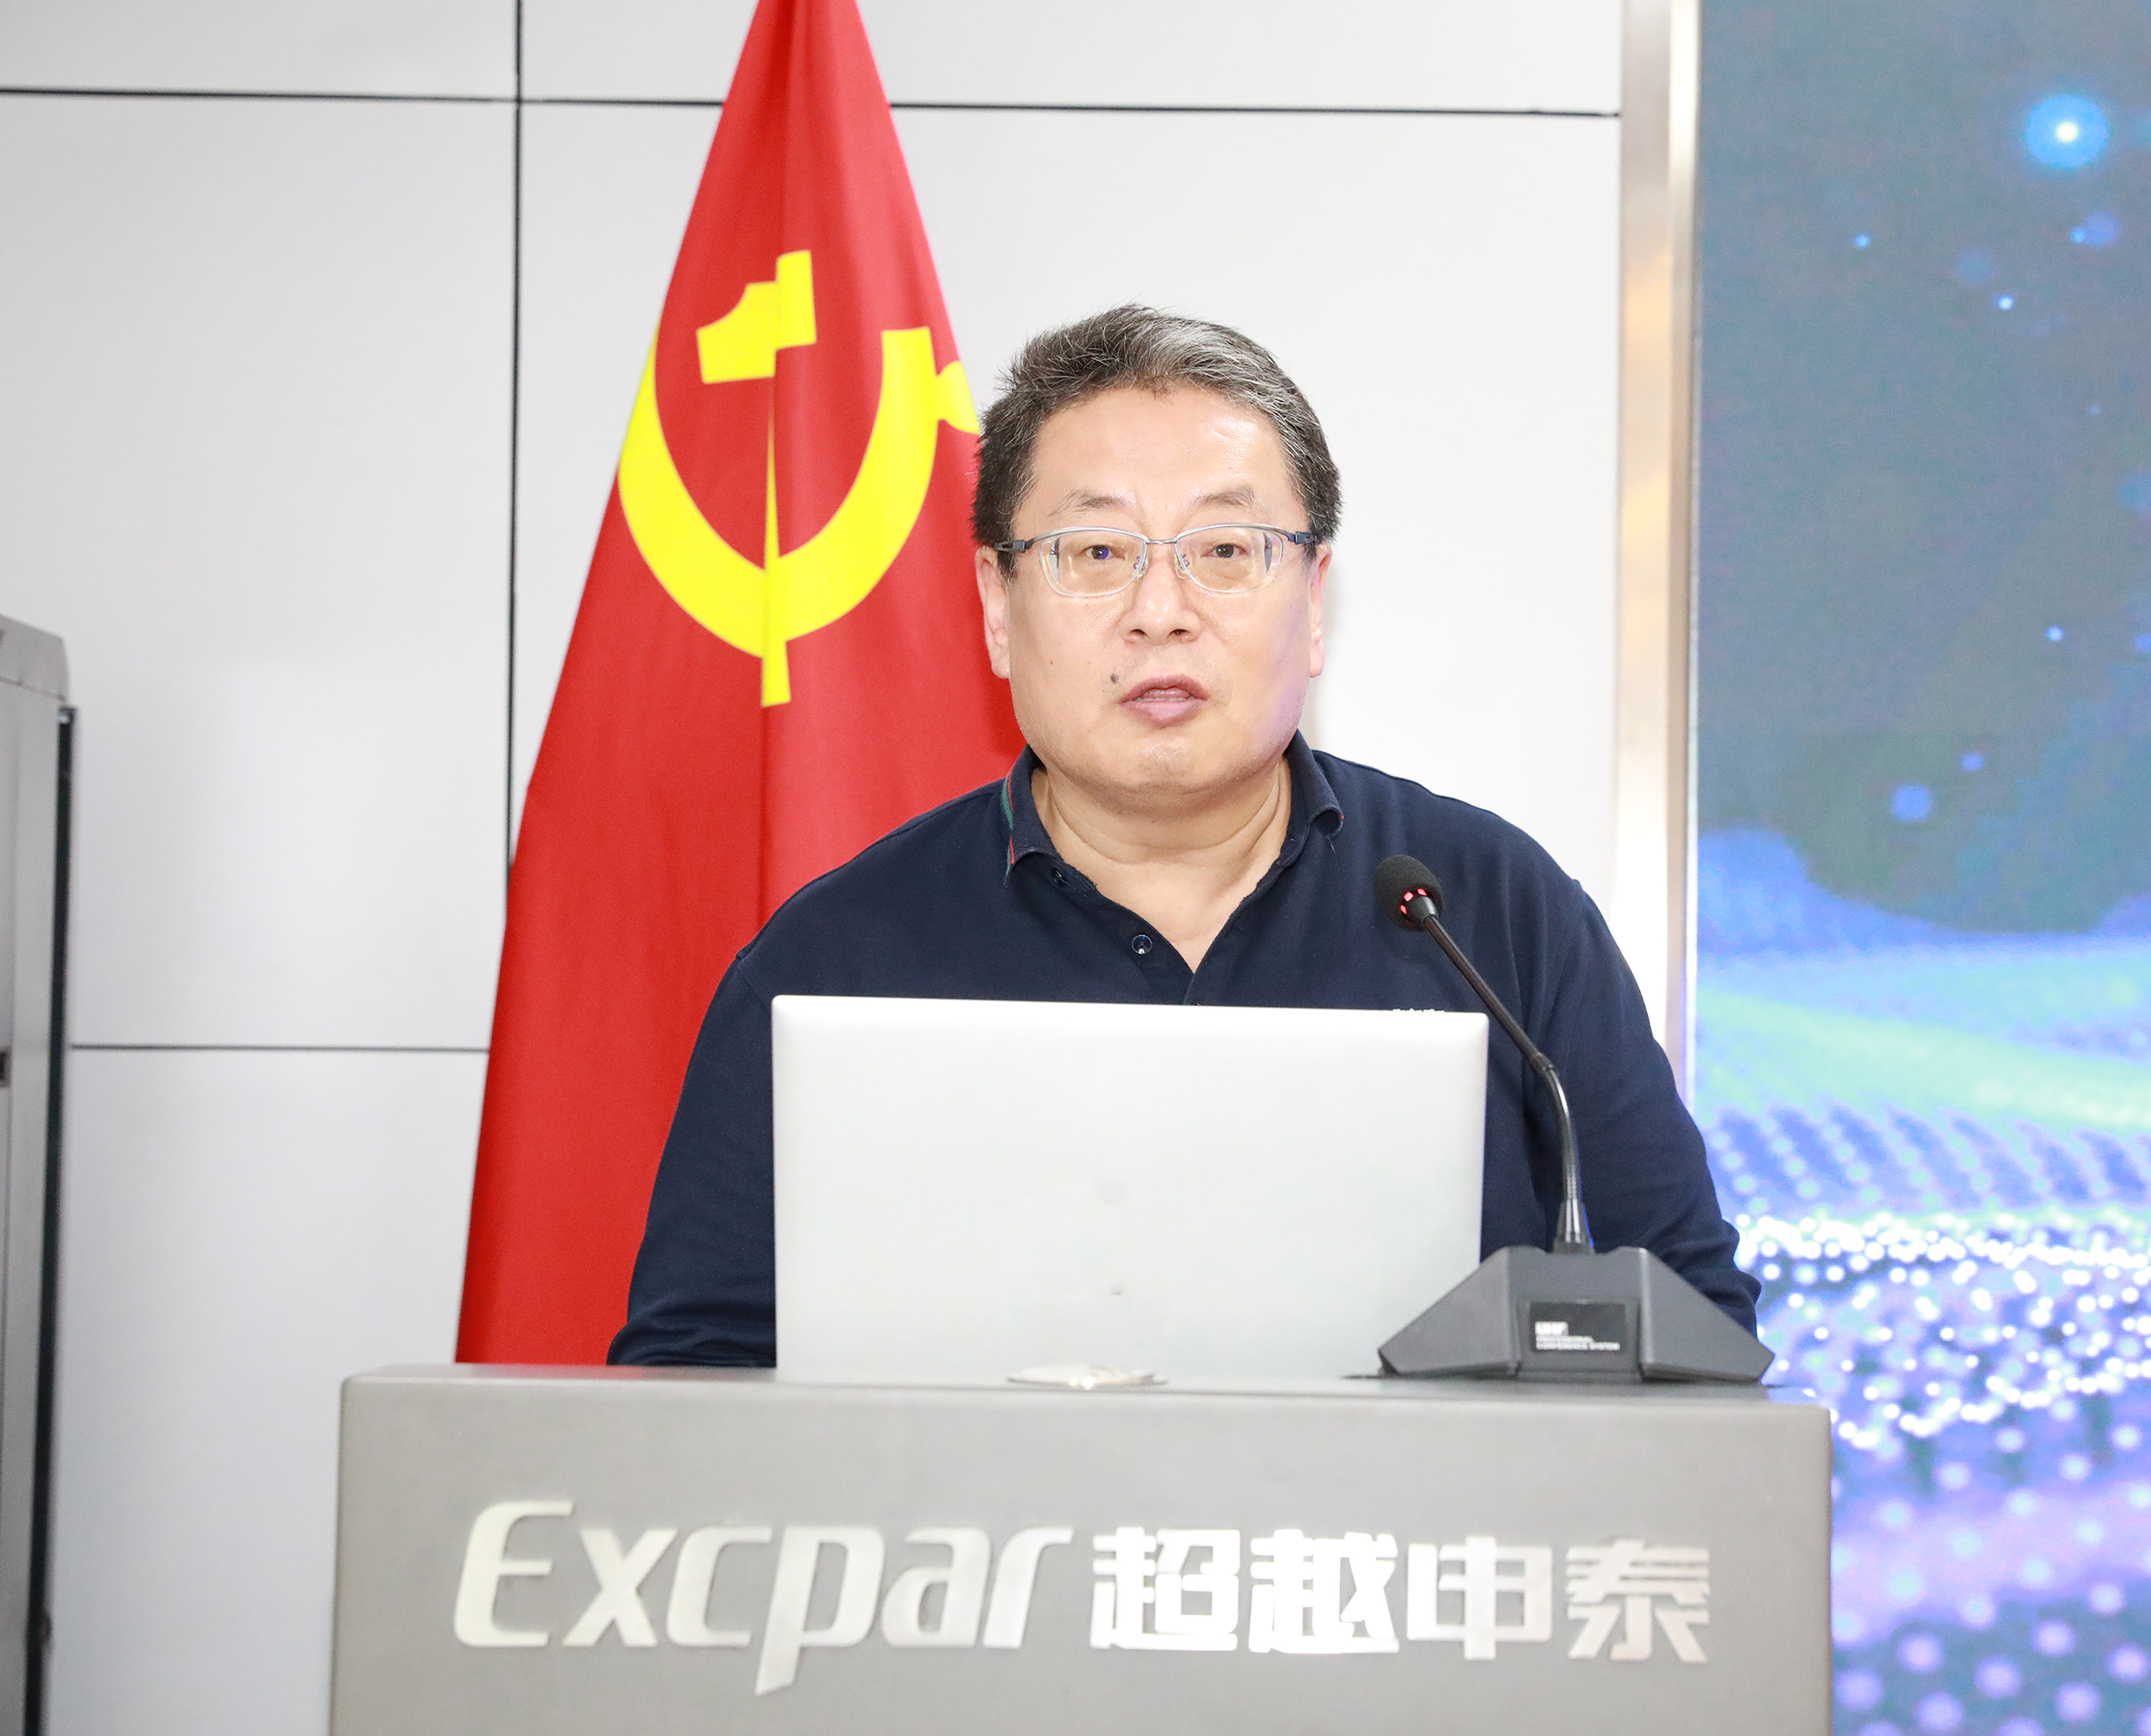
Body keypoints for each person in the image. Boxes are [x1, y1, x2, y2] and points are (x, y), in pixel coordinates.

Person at [611, 306, 1759, 1364]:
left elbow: (1691, 1328)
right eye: (1096, 553)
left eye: (1224, 551)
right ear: (998, 606)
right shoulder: (838, 956)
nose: (1160, 613)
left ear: (1313, 600)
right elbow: (692, 1379)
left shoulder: (1490, 915)